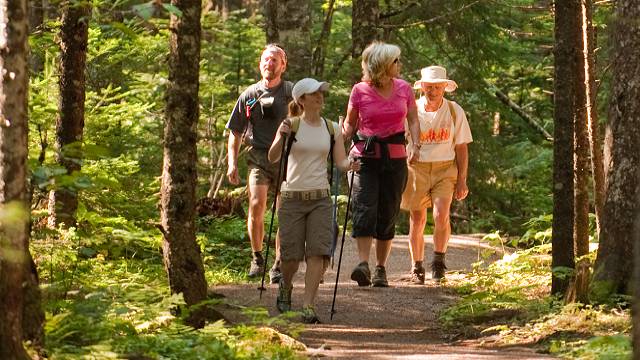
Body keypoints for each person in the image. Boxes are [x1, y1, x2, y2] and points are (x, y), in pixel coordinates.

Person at [268, 78, 359, 323]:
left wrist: (352, 165)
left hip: (320, 198)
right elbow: (273, 157)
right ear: (301, 99)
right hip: (292, 198)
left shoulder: (331, 128)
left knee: (318, 253)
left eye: (321, 92)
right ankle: (285, 287)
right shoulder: (291, 125)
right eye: (313, 93)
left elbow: (340, 163)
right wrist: (281, 135)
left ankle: (308, 306)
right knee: (290, 257)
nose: (320, 96)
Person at [341, 42, 421, 287]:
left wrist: (415, 143)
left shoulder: (405, 89)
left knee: (387, 211)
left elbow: (414, 120)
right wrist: (336, 137)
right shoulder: (359, 90)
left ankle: (380, 269)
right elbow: (350, 125)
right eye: (396, 61)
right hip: (363, 158)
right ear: (383, 65)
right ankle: (363, 264)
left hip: (395, 158)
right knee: (364, 208)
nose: (400, 65)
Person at [401, 65, 472, 283]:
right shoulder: (411, 110)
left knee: (441, 214)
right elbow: (401, 139)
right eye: (429, 87)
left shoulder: (454, 111)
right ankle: (417, 266)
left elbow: (461, 147)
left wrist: (462, 180)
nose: (432, 91)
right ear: (422, 87)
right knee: (417, 218)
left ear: (445, 88)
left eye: (437, 87)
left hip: (445, 168)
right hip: (417, 168)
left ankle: (439, 262)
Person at [226, 44, 291, 282]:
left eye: (274, 60)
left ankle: (279, 263)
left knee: (284, 212)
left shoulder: (290, 92)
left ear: (283, 65)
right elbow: (235, 132)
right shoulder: (249, 95)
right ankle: (257, 258)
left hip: (286, 158)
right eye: (265, 60)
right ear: (259, 63)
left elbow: (307, 120)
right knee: (256, 203)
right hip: (258, 157)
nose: (269, 64)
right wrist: (231, 163)